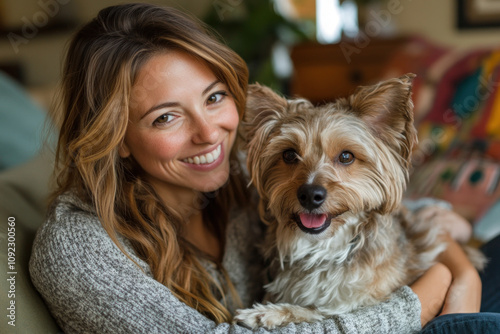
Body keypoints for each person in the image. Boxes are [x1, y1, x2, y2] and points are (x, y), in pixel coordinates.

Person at [29, 3, 499, 333]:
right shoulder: (78, 248)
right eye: (166, 117)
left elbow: (379, 205)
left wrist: (459, 270)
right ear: (115, 137)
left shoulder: (236, 174)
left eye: (214, 98)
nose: (210, 133)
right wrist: (425, 296)